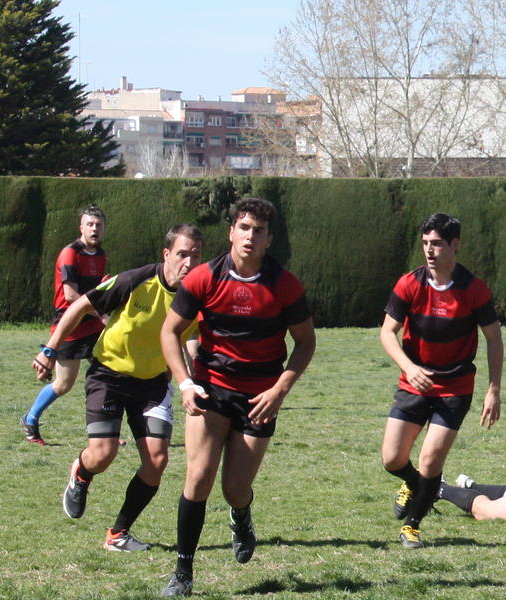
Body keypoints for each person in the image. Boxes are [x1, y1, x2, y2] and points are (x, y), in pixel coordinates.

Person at [157, 198, 315, 597]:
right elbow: (169, 332)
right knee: (197, 477)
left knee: (234, 488)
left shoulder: (284, 285)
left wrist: (280, 389)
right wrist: (185, 383)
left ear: (269, 239)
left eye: (258, 230)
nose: (249, 236)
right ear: (231, 232)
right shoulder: (204, 278)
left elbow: (306, 342)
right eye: (243, 227)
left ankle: (240, 513)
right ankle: (183, 572)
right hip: (211, 389)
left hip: (260, 396)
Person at [36, 224, 203, 552]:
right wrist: (50, 348)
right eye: (182, 254)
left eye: (196, 256)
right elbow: (81, 304)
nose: (189, 262)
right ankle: (82, 472)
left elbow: (192, 337)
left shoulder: (195, 296)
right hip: (108, 377)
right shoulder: (136, 280)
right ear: (167, 254)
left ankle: (117, 534)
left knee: (156, 462)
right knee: (103, 454)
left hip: (153, 385)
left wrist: (195, 376)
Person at [379, 213, 504, 549]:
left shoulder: (473, 289)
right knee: (392, 458)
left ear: (454, 245)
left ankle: (412, 526)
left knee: (430, 460)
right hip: (413, 382)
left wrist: (494, 389)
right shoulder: (409, 283)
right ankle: (415, 485)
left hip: (455, 387)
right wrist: (409, 367)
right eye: (425, 244)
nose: (429, 250)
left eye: (436, 243)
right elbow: (387, 332)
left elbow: (494, 338)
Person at [24, 204, 108, 445]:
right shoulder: (70, 254)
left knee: (108, 374)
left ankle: (104, 432)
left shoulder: (100, 255)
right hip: (69, 326)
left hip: (92, 327)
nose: (94, 229)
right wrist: (101, 311)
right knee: (63, 384)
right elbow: (71, 296)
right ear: (81, 227)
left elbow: (93, 292)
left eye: (98, 225)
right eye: (90, 224)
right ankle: (30, 419)